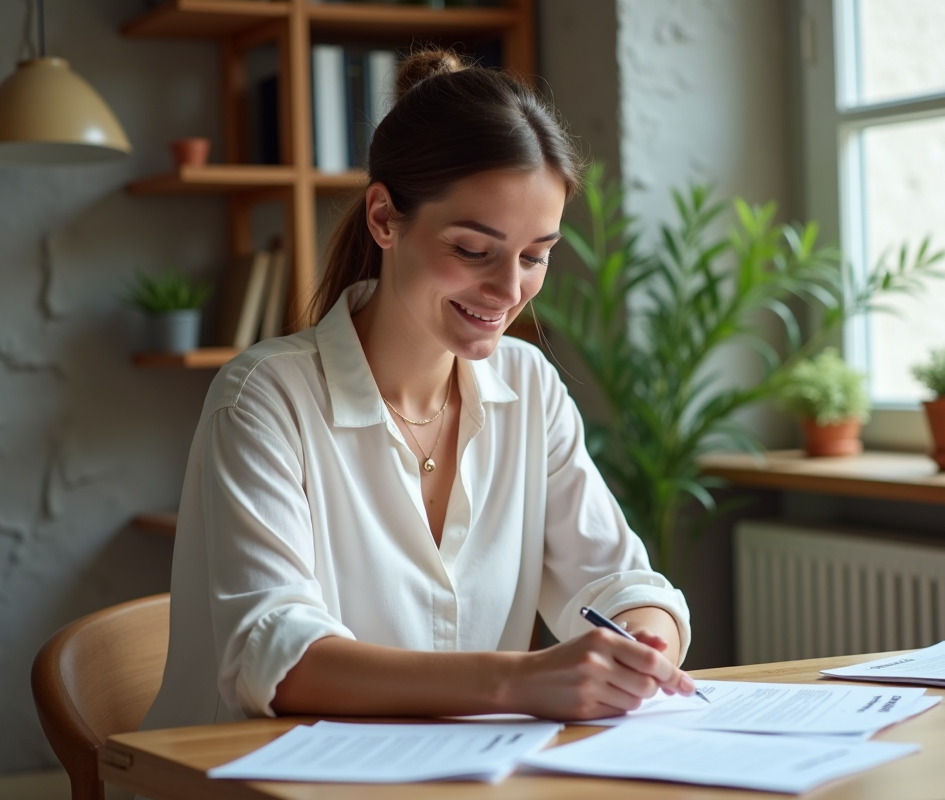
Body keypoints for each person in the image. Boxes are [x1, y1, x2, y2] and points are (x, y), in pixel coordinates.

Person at [141, 49, 696, 731]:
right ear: (383, 217)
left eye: (535, 256)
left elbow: (617, 581)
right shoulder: (265, 397)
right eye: (473, 250)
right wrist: (521, 681)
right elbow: (275, 659)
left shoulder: (528, 386)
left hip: (456, 772)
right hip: (254, 771)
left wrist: (644, 643)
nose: (508, 290)